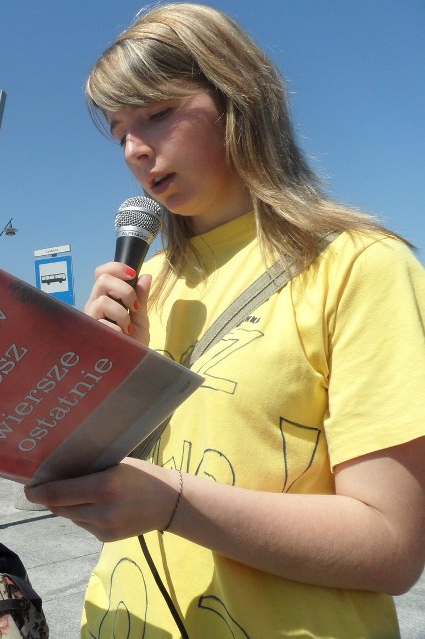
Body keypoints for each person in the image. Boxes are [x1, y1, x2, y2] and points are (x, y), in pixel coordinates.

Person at [24, 4, 425, 637]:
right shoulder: (148, 283)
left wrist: (170, 502)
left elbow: (391, 543)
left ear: (238, 97)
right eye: (119, 128)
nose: (134, 147)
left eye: (157, 113)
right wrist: (100, 375)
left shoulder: (358, 266)